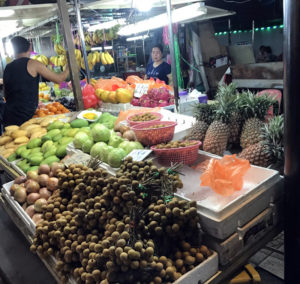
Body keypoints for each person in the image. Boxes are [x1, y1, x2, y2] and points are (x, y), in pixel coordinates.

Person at [2, 36, 69, 127]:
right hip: (26, 116)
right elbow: (59, 79)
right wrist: (68, 68)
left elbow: (6, 94)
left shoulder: (8, 67)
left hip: (8, 114)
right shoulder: (34, 64)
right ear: (30, 47)